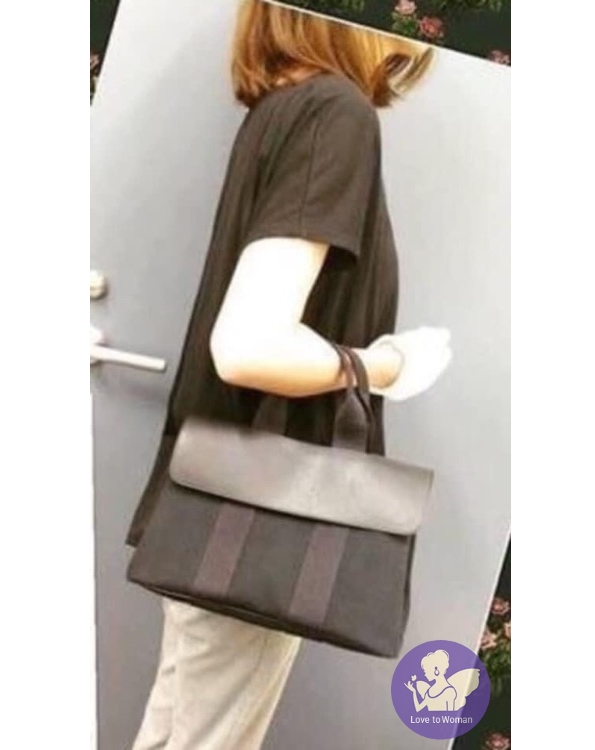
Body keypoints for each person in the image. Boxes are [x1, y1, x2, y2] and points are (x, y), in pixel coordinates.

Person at [127, 2, 452, 748]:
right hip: (258, 526)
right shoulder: (335, 114)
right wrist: (387, 365)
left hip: (219, 509)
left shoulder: (286, 109)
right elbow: (248, 346)